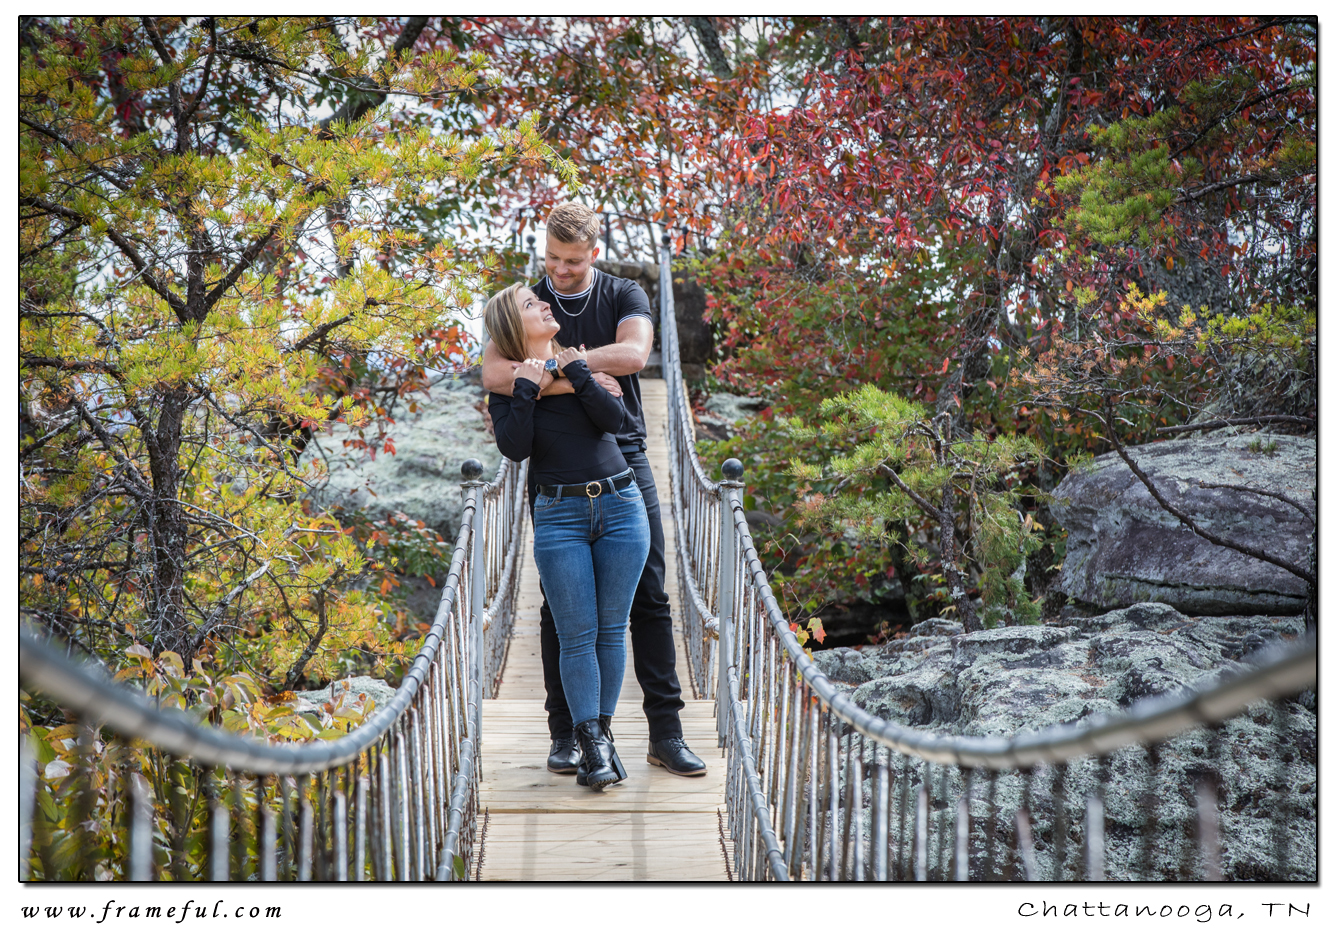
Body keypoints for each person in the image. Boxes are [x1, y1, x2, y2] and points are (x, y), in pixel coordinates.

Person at [481, 202, 707, 778]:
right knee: (560, 604)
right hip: (556, 471)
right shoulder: (525, 303)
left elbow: (634, 355)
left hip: (624, 451)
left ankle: (665, 733)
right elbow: (496, 377)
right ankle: (568, 736)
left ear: (594, 255)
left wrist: (550, 370)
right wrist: (578, 379)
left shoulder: (622, 294)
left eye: (573, 262)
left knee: (650, 594)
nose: (559, 271)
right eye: (552, 259)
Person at [484, 282, 649, 790]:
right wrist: (527, 389)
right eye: (531, 304)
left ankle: (598, 743)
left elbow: (617, 420)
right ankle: (594, 745)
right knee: (576, 635)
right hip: (559, 515)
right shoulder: (509, 387)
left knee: (611, 630)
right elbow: (515, 448)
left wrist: (577, 373)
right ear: (514, 326)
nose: (544, 303)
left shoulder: (578, 361)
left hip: (621, 504)